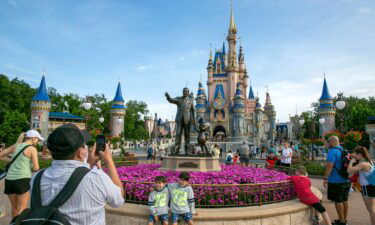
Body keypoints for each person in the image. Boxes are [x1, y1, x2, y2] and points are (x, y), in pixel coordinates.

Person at [30, 123, 124, 225]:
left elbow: (74, 178)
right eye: (85, 146)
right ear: (80, 152)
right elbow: (118, 200)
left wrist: (88, 164)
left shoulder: (36, 178)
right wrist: (109, 160)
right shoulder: (97, 178)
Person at [0, 131, 41, 218]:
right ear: (33, 138)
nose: (38, 141)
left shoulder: (15, 146)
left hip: (9, 180)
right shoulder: (32, 149)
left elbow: (1, 155)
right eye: (38, 139)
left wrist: (11, 161)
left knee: (14, 207)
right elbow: (36, 168)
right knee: (22, 208)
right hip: (22, 180)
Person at [324, 136, 350, 225]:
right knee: (345, 200)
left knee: (337, 201)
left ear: (333, 141)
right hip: (346, 180)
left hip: (336, 180)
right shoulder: (343, 149)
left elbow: (329, 166)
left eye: (328, 141)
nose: (327, 143)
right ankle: (343, 219)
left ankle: (341, 222)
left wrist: (325, 178)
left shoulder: (332, 151)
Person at [347, 146, 375, 224]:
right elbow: (350, 175)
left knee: (370, 209)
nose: (354, 155)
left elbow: (349, 170)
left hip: (367, 188)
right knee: (372, 209)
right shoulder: (368, 161)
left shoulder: (363, 164)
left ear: (360, 154)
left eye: (355, 153)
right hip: (371, 186)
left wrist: (351, 161)